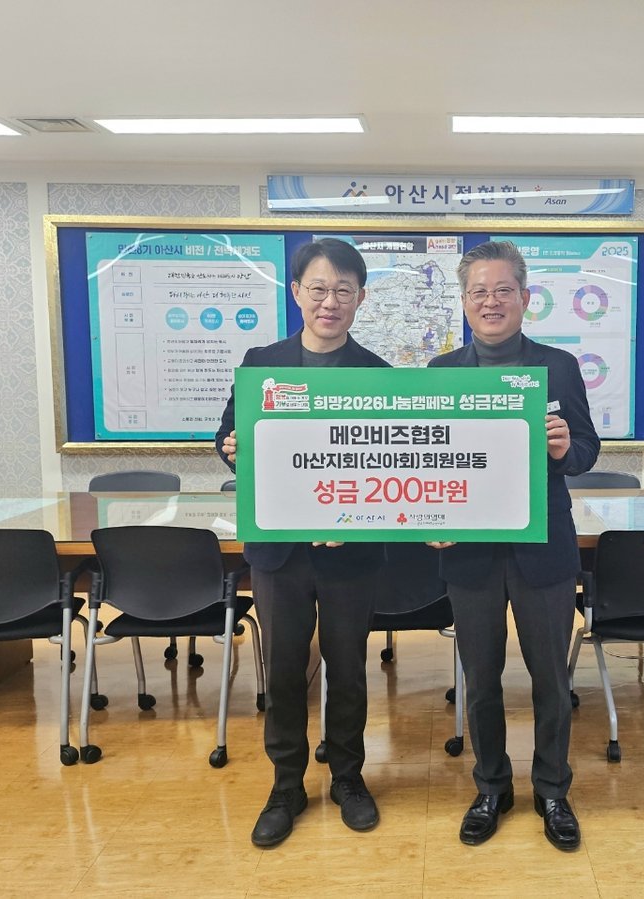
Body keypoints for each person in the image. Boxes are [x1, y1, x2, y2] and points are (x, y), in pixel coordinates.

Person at [427, 240, 600, 851]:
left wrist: (566, 449)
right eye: (479, 291)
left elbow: (587, 450)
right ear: (464, 301)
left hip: (541, 548)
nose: (491, 301)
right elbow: (427, 458)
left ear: (525, 298)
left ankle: (552, 788)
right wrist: (428, 515)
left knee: (551, 678)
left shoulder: (558, 367)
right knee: (481, 678)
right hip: (469, 551)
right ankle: (492, 787)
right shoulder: (441, 374)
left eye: (503, 290)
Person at [216, 238, 388, 848]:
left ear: (360, 298)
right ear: (296, 293)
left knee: (348, 668)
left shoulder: (379, 377)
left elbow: (386, 459)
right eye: (318, 289)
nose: (329, 301)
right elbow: (227, 435)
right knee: (285, 668)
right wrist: (231, 447)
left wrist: (356, 519)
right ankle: (286, 784)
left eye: (343, 290)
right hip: (280, 551)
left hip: (350, 552)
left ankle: (348, 777)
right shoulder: (262, 363)